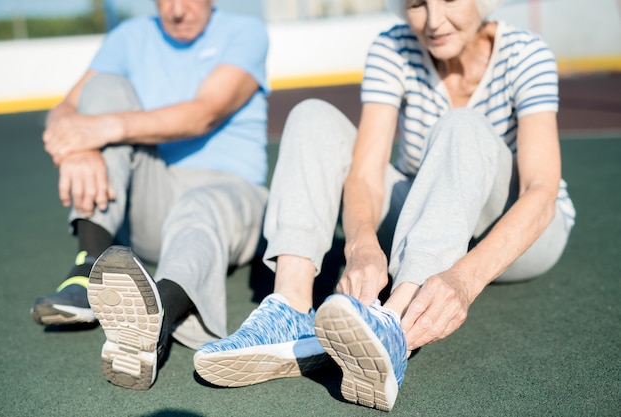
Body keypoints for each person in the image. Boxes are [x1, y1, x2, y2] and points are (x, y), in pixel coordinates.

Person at [193, 0, 576, 411]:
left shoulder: (526, 54)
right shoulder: (393, 47)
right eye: (415, 4)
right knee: (313, 117)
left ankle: (393, 323)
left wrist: (464, 279)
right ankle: (289, 310)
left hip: (519, 230)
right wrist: (361, 245)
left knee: (462, 123)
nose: (432, 21)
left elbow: (541, 193)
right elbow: (366, 173)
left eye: (447, 0)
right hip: (427, 213)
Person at [31, 0, 269, 391]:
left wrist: (99, 129)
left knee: (201, 204)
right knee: (104, 87)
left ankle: (157, 315)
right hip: (155, 199)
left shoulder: (246, 32)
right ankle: (90, 265)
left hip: (233, 193)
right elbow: (64, 110)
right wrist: (81, 146)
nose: (176, 10)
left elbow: (203, 114)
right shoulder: (128, 37)